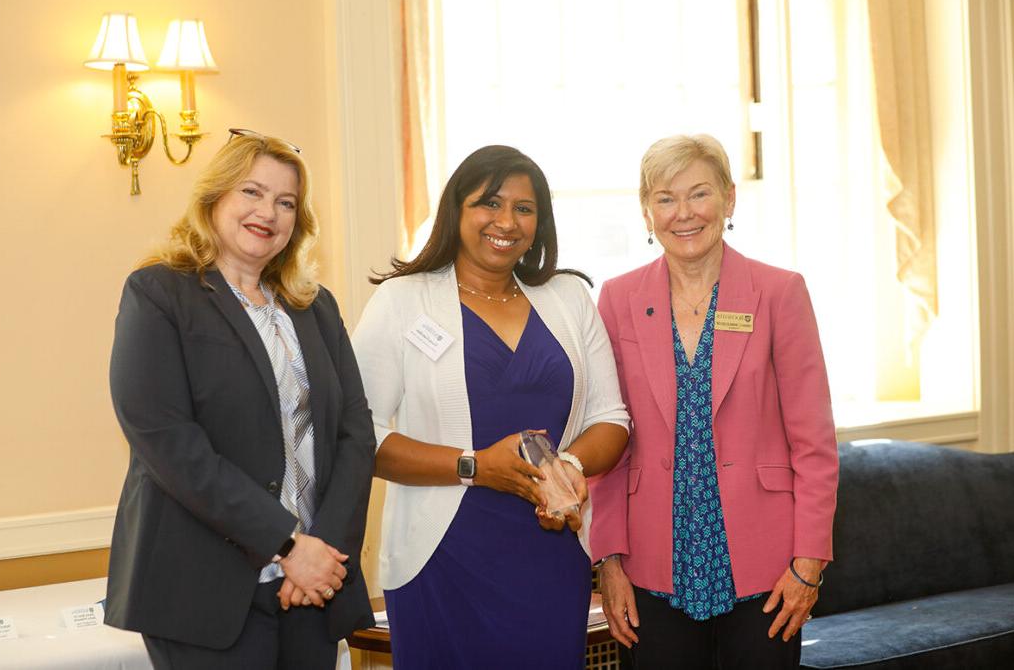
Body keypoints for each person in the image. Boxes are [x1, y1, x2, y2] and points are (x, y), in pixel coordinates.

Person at [105, 129, 376, 669]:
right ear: (215, 197)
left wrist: (320, 552)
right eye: (251, 192)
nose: (267, 213)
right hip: (202, 588)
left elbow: (355, 432)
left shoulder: (314, 307)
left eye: (285, 202)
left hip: (310, 587)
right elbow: (169, 444)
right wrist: (288, 544)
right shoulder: (159, 293)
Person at [352, 145, 629, 668]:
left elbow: (610, 419)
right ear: (457, 209)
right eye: (490, 203)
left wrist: (565, 469)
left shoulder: (569, 298)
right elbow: (358, 436)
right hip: (441, 555)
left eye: (524, 209)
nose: (506, 221)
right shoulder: (402, 301)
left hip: (549, 550)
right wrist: (475, 467)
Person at [590, 134, 839, 669]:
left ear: (729, 199)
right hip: (652, 563)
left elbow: (814, 444)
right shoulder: (617, 299)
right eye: (664, 198)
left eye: (698, 194)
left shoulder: (779, 293)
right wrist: (608, 561)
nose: (683, 213)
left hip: (767, 566)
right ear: (646, 210)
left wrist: (808, 565)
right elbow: (608, 440)